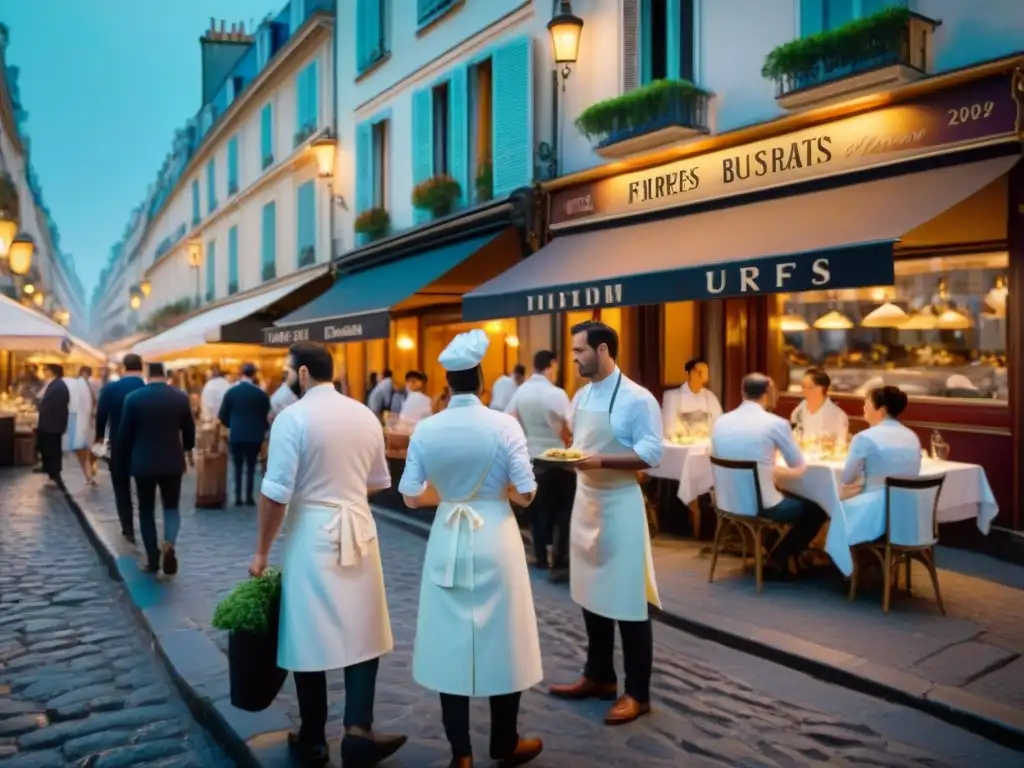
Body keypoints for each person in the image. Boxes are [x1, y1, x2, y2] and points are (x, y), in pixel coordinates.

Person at [249, 343, 406, 767]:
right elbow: (378, 481)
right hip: (358, 525)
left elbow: (275, 492)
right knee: (365, 626)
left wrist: (262, 552)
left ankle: (315, 737)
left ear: (302, 374)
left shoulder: (291, 418)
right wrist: (345, 490)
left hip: (312, 530)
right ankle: (358, 728)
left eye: (288, 371)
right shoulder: (364, 415)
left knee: (307, 629)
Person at [399, 329, 543, 768]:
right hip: (496, 535)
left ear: (447, 384)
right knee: (504, 638)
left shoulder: (427, 428)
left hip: (448, 535)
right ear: (482, 382)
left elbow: (409, 495)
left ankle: (460, 754)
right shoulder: (504, 425)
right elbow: (526, 493)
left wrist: (452, 495)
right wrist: (493, 493)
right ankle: (505, 743)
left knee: (450, 642)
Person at [548, 322, 662, 726]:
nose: (574, 357)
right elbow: (580, 443)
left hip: (619, 505)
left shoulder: (637, 398)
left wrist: (601, 461)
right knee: (590, 594)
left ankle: (638, 693)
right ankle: (598, 676)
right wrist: (572, 455)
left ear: (602, 349)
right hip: (587, 502)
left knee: (629, 601)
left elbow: (652, 453)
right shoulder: (581, 396)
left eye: (580, 350)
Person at [711, 373, 827, 577]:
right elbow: (798, 465)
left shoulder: (720, 422)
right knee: (818, 507)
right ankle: (779, 557)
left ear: (742, 393)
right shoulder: (775, 423)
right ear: (768, 393)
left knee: (786, 495)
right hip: (760, 505)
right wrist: (773, 469)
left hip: (725, 501)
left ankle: (775, 548)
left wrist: (768, 469)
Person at [118, 362, 196, 576]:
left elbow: (125, 434)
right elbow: (189, 432)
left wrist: (122, 460)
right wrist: (186, 450)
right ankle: (169, 544)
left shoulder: (133, 399)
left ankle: (152, 559)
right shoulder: (180, 398)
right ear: (164, 374)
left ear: (147, 375)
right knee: (171, 507)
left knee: (146, 509)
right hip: (172, 462)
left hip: (143, 463)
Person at [505, 349, 574, 581]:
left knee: (538, 512)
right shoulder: (556, 394)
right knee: (562, 512)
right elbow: (571, 425)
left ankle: (540, 557)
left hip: (532, 458)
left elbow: (510, 421)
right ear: (551, 365)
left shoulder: (520, 392)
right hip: (559, 459)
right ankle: (560, 558)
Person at [840, 386, 921, 538]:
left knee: (829, 507)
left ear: (881, 410)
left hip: (875, 512)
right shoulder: (912, 436)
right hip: (909, 511)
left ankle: (829, 558)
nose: (864, 407)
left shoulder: (864, 438)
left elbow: (846, 478)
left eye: (867, 403)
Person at [95, 354, 147, 543]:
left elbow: (101, 415)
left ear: (124, 367)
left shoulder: (110, 389)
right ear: (141, 367)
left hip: (118, 444)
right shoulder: (147, 388)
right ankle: (146, 525)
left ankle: (128, 529)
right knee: (144, 489)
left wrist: (99, 437)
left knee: (121, 488)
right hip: (144, 444)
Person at [218, 362, 271, 507]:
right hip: (254, 435)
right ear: (254, 375)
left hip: (236, 435)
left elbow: (222, 415)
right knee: (251, 466)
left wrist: (232, 424)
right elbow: (265, 416)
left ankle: (237, 497)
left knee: (237, 466)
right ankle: (248, 497)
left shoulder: (231, 392)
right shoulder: (260, 394)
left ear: (241, 374)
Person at [661, 357, 723, 436]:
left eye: (705, 373)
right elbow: (668, 428)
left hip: (705, 444)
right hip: (681, 444)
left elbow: (719, 425)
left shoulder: (710, 397)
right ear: (688, 374)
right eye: (699, 372)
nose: (702, 377)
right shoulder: (673, 397)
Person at [790, 367, 849, 442]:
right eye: (803, 387)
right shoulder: (798, 412)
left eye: (809, 388)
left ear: (821, 389)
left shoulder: (838, 416)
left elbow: (841, 445)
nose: (803, 391)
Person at [36, 364, 70, 489]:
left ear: (52, 372)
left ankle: (54, 473)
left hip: (52, 423)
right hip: (50, 422)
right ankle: (51, 472)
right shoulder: (52, 384)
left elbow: (51, 404)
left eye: (45, 370)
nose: (43, 372)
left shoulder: (57, 386)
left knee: (52, 448)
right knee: (48, 447)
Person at [65, 367, 98, 486]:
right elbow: (94, 403)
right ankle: (88, 475)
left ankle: (88, 475)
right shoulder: (87, 386)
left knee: (83, 452)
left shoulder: (79, 385)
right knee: (85, 451)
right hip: (86, 422)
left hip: (79, 422)